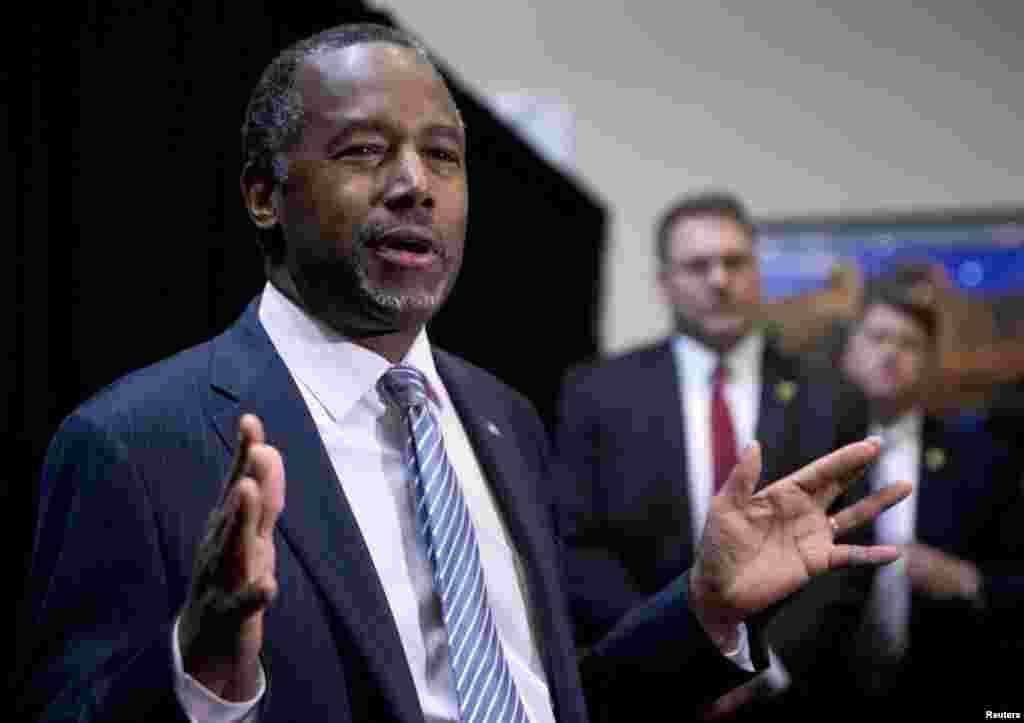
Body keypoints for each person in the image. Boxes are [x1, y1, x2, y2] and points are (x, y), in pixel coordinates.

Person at [14, 24, 908, 723]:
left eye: (443, 154)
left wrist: (704, 608)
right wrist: (200, 675)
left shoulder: (502, 417)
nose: (417, 185)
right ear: (263, 194)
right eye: (364, 150)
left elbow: (556, 696)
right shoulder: (132, 445)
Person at [553, 191, 871, 714]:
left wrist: (762, 666)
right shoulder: (598, 393)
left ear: (758, 272)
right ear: (665, 284)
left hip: (789, 693)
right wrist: (676, 652)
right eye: (698, 265)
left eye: (734, 262)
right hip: (644, 690)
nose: (719, 280)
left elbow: (849, 547)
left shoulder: (831, 398)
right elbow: (577, 547)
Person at [839, 278, 1024, 713]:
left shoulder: (983, 458)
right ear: (849, 351)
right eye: (878, 337)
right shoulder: (806, 449)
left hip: (949, 689)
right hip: (822, 695)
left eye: (909, 344)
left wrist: (967, 581)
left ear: (930, 363)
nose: (890, 354)